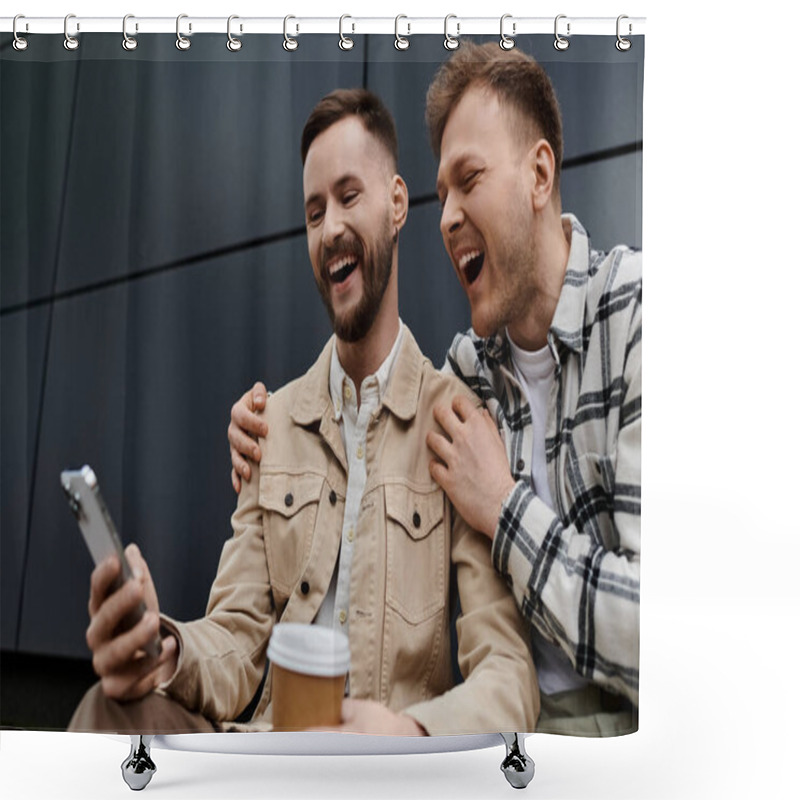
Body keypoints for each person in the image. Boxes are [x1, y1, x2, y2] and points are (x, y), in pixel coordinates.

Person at [68, 88, 537, 737]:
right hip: (264, 752)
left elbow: (507, 674)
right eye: (314, 212)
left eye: (349, 197)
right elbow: (235, 637)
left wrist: (408, 735)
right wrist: (166, 649)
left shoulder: (456, 424)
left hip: (382, 769)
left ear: (398, 203)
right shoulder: (273, 423)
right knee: (106, 708)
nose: (330, 228)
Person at [229, 43, 641, 736]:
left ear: (539, 174)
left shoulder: (634, 316)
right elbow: (368, 400)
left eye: (468, 179)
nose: (446, 214)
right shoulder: (464, 378)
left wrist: (503, 506)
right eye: (441, 191)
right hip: (512, 750)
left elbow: (670, 638)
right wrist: (260, 431)